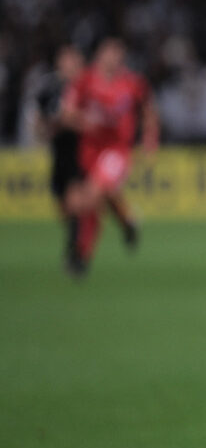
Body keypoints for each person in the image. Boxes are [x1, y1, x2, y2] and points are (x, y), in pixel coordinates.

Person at [65, 38, 157, 274]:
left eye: (118, 54)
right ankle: (128, 221)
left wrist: (149, 140)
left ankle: (82, 255)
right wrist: (84, 122)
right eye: (109, 52)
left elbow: (149, 112)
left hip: (117, 151)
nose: (113, 58)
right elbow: (67, 112)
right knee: (97, 198)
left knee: (91, 197)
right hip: (89, 151)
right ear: (99, 54)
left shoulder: (132, 83)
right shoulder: (85, 80)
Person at [31, 45, 88, 271]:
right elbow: (38, 120)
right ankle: (75, 241)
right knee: (63, 207)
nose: (70, 64)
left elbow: (88, 118)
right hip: (58, 151)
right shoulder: (49, 87)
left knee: (75, 202)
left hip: (79, 151)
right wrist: (47, 128)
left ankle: (75, 255)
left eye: (74, 60)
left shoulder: (86, 86)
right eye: (66, 60)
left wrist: (69, 121)